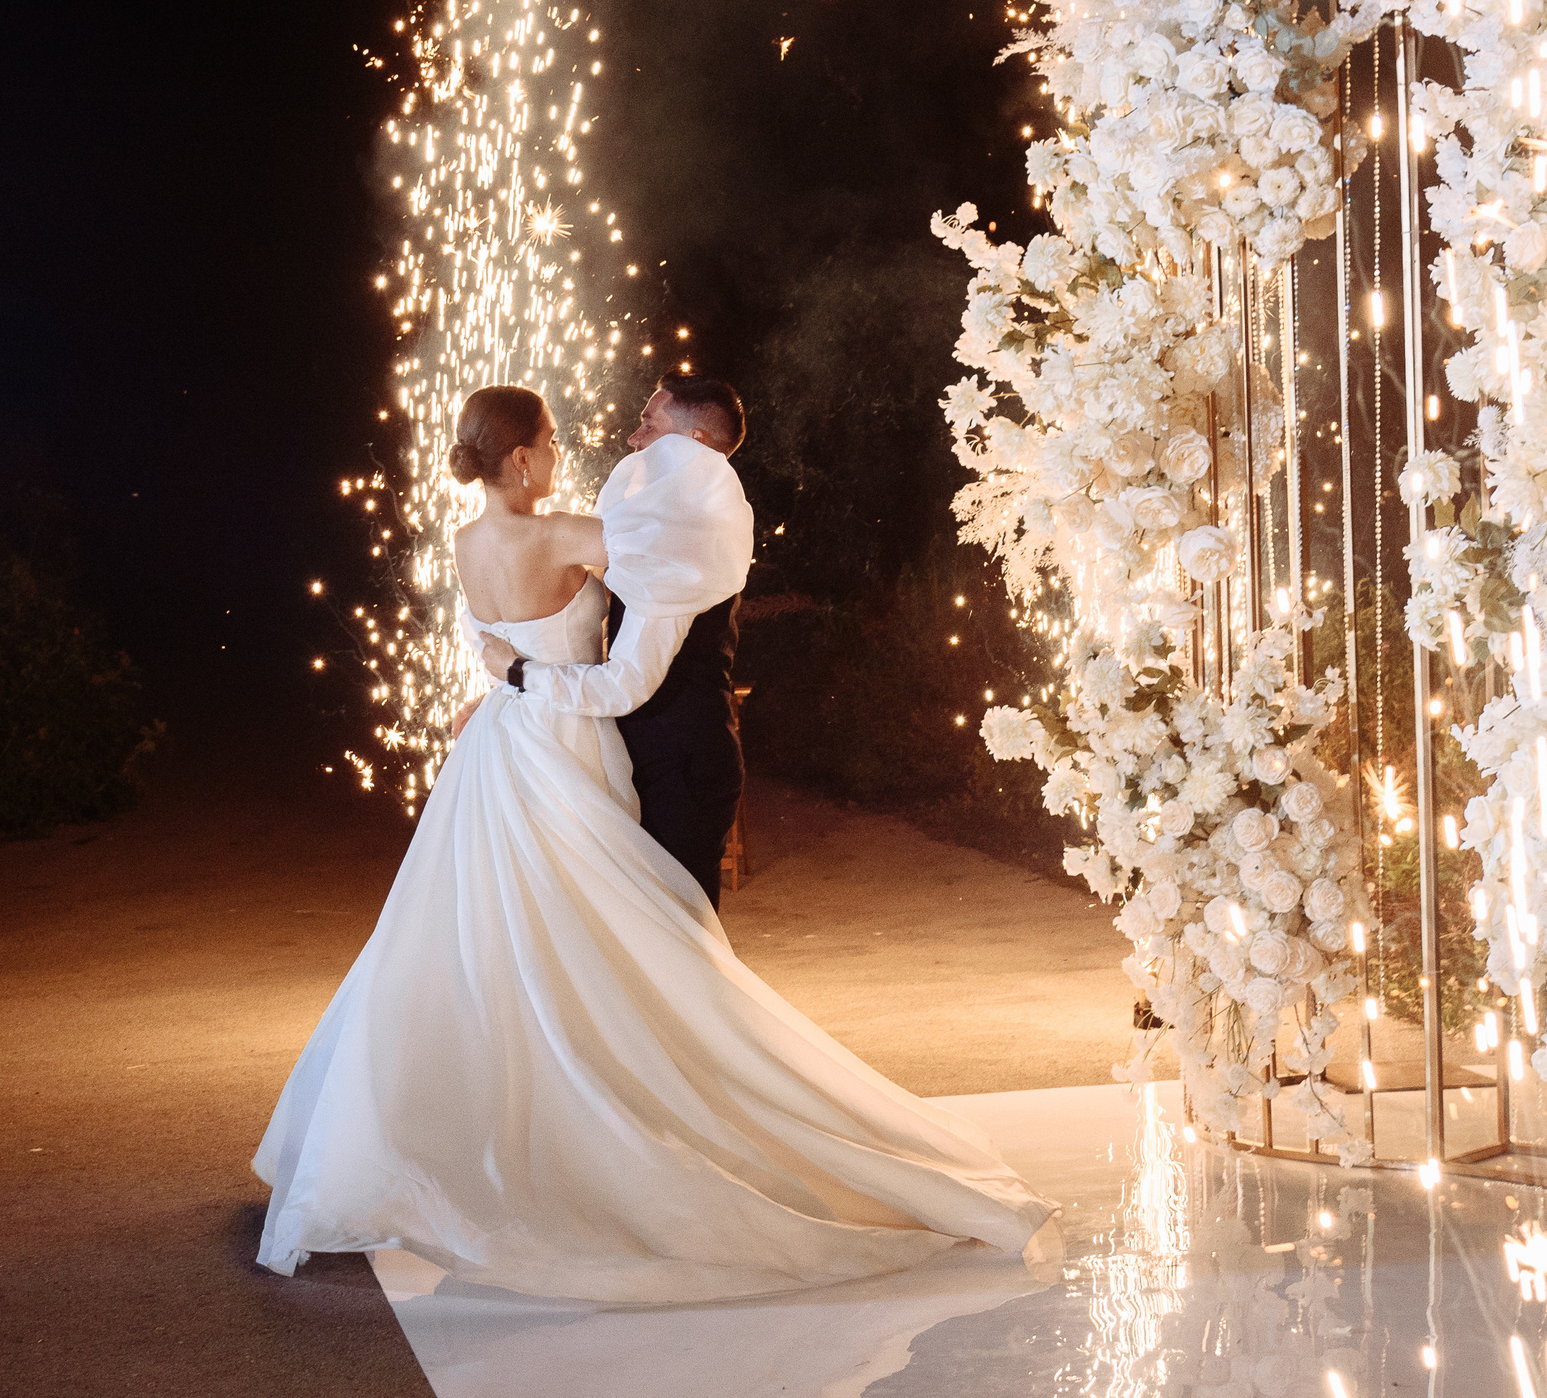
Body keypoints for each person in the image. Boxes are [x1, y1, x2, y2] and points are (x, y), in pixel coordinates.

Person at [251, 384, 1054, 1303]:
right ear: (519, 460)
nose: (567, 451)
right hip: (568, 744)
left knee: (499, 939)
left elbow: (523, 633)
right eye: (550, 442)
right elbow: (666, 563)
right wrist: (704, 506)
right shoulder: (562, 536)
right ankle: (638, 1128)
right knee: (625, 941)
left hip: (499, 745)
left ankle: (509, 1132)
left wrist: (515, 670)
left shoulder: (468, 541)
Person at [475, 376, 745, 904]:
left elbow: (625, 685)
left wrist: (516, 675)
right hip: (640, 756)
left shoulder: (680, 546)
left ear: (694, 444)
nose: (632, 439)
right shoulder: (674, 529)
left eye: (650, 423)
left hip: (679, 767)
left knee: (682, 951)